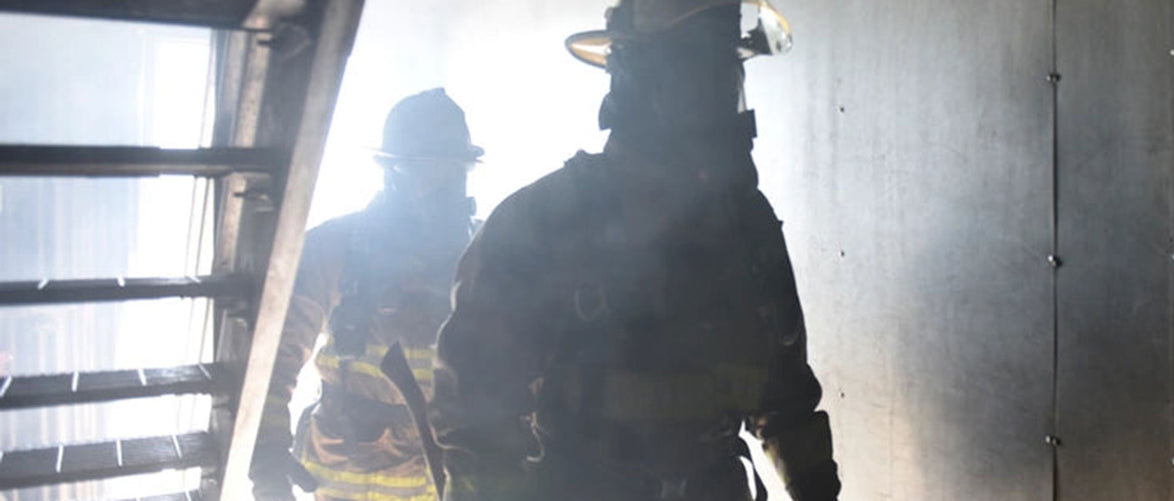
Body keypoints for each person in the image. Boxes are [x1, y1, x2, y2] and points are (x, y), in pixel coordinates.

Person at [429, 1, 839, 500]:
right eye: (700, 78)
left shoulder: (746, 227)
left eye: (725, 80)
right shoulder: (544, 223)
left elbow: (786, 398)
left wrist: (818, 489)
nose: (720, 103)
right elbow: (476, 419)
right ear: (644, 84)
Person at [252, 88, 483, 501]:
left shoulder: (486, 256)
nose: (445, 187)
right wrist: (268, 459)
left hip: (441, 485)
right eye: (430, 171)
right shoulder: (334, 250)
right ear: (393, 172)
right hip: (342, 483)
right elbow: (271, 361)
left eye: (454, 171)